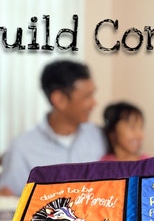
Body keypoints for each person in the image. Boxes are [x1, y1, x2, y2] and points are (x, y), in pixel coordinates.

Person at [0, 60, 107, 196]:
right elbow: (9, 204)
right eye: (87, 96)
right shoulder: (22, 149)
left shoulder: (101, 137)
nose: (94, 103)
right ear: (59, 99)